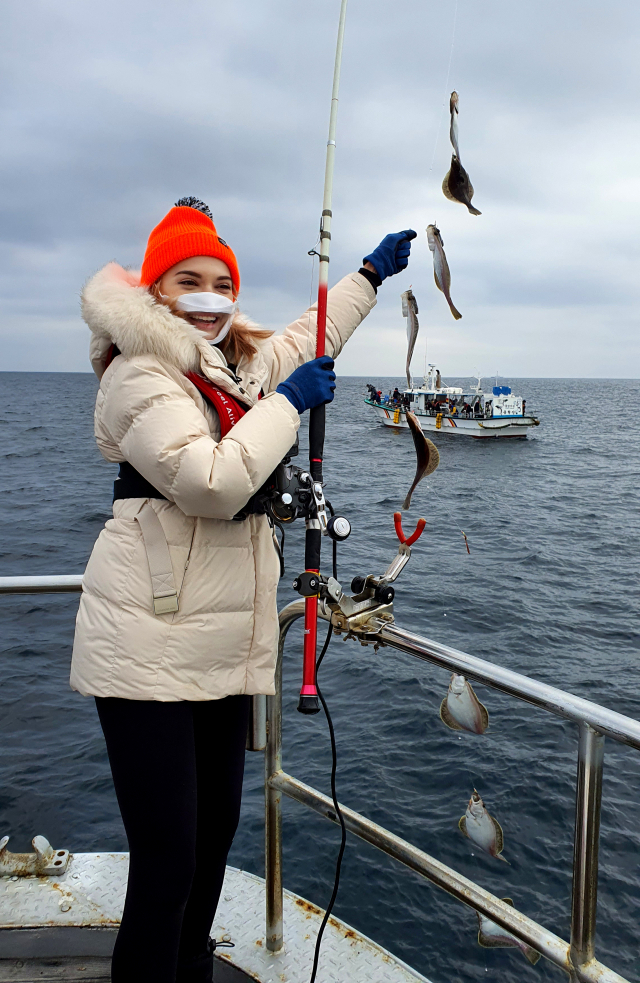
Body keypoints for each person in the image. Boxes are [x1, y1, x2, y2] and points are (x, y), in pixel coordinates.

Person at [69, 197, 415, 983]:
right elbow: (212, 482)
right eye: (188, 279)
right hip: (146, 651)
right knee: (167, 860)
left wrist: (365, 274)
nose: (209, 294)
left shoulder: (233, 363)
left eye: (222, 280)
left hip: (220, 649)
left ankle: (190, 970)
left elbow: (305, 337)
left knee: (216, 837)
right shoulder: (140, 371)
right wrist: (292, 405)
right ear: (154, 290)